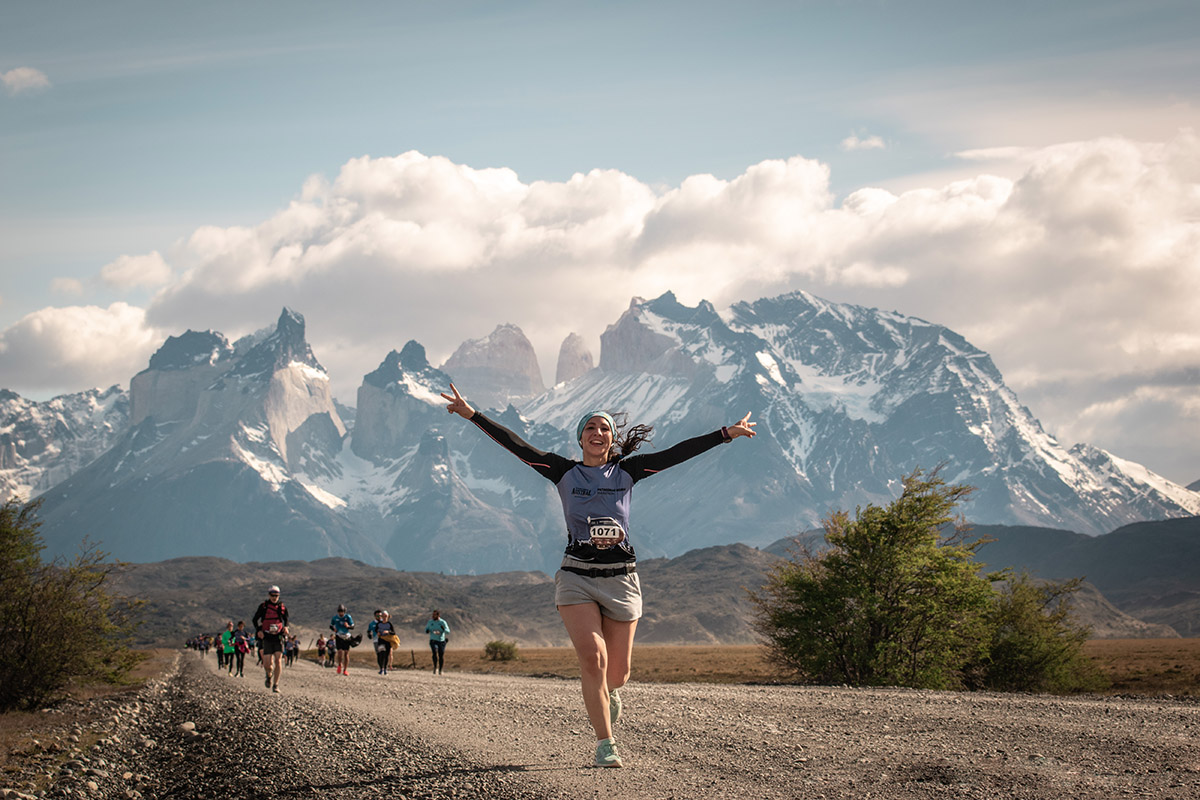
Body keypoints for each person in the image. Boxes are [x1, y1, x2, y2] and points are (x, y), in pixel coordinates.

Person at [442, 383, 754, 768]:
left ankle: (610, 692)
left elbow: (678, 453)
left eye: (604, 428)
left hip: (621, 579)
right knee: (593, 659)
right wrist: (472, 414)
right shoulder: (563, 472)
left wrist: (726, 433)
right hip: (577, 578)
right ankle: (605, 743)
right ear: (580, 438)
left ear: (611, 439)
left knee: (618, 673)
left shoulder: (628, 472)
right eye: (590, 427)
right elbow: (517, 446)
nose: (597, 432)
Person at [252, 585, 289, 693]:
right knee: (268, 664)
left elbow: (286, 619)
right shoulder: (263, 607)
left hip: (278, 636)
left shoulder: (282, 607)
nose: (274, 597)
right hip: (267, 637)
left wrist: (286, 627)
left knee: (278, 660)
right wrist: (259, 630)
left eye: (276, 595)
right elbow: (255, 619)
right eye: (272, 595)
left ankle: (276, 684)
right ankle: (268, 675)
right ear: (269, 595)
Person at [330, 604, 355, 676]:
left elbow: (353, 626)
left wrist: (348, 626)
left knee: (346, 653)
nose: (341, 613)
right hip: (338, 636)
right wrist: (334, 629)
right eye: (339, 612)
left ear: (344, 611)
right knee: (340, 652)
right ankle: (339, 664)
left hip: (346, 636)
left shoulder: (348, 617)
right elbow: (331, 625)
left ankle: (345, 670)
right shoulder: (335, 618)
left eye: (342, 612)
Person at [425, 610, 449, 675]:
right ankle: (435, 667)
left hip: (441, 641)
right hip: (433, 640)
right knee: (434, 652)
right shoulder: (430, 622)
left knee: (441, 655)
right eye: (432, 615)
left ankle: (440, 670)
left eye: (434, 615)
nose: (433, 616)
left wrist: (443, 629)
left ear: (438, 615)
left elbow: (448, 631)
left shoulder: (442, 622)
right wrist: (427, 631)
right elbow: (426, 629)